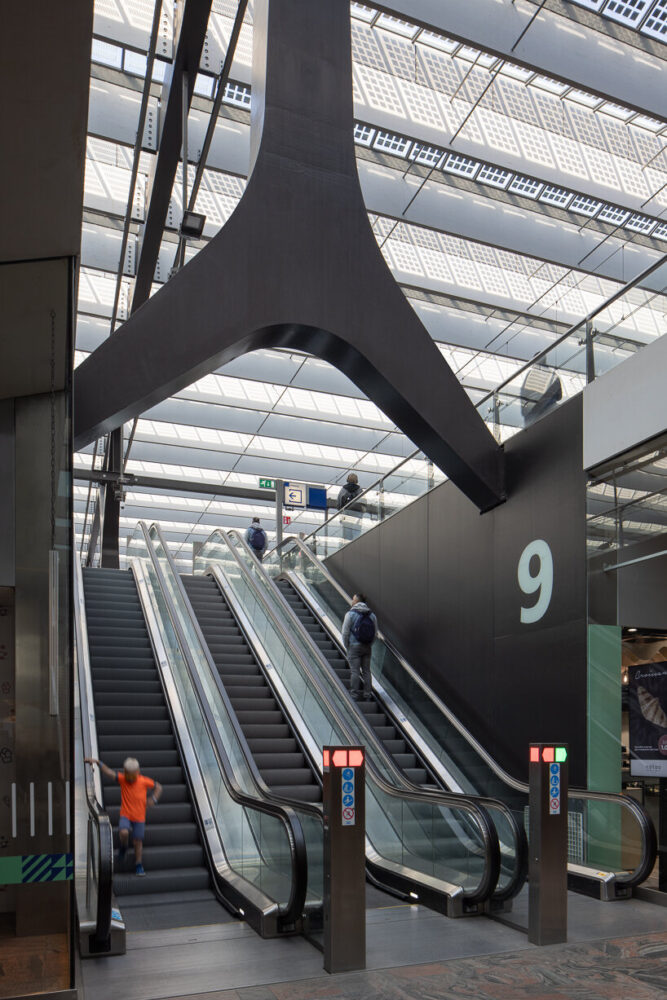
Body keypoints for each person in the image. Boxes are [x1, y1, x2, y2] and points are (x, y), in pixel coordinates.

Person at [85, 756, 162, 876]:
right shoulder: (123, 779)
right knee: (123, 832)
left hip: (139, 817)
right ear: (125, 772)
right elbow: (110, 773)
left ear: (138, 772)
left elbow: (158, 787)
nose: (130, 778)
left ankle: (138, 864)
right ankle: (124, 846)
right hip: (126, 814)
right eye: (128, 775)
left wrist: (154, 799)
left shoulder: (143, 781)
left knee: (138, 841)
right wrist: (97, 762)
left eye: (132, 776)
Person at [342, 593, 377, 701]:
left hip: (354, 646)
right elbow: (375, 633)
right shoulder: (372, 615)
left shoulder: (350, 614)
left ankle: (354, 695)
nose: (352, 602)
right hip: (367, 647)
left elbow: (345, 632)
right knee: (366, 671)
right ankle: (367, 695)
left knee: (355, 671)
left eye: (353, 600)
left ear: (357, 601)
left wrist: (347, 645)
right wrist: (369, 645)